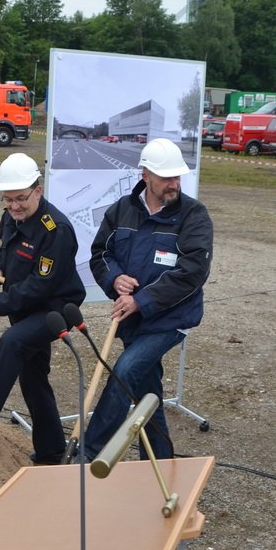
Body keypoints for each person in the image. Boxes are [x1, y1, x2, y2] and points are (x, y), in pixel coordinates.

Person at [0, 153, 86, 464]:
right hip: (26, 307)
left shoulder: (56, 230)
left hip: (55, 309)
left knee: (10, 343)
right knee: (32, 376)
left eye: (21, 198)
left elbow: (42, 285)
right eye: (8, 200)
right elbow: (5, 254)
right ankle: (51, 450)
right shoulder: (10, 217)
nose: (15, 206)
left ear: (38, 190)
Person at [82, 138, 213, 461]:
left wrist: (142, 300)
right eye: (166, 177)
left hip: (170, 318)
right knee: (146, 389)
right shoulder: (122, 211)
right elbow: (100, 254)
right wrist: (114, 278)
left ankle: (89, 451)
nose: (174, 184)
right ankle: (160, 460)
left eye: (177, 177)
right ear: (145, 175)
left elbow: (193, 271)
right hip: (132, 320)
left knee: (126, 370)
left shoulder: (193, 216)